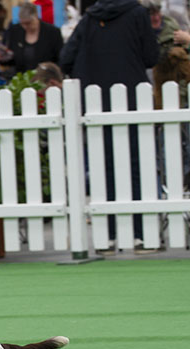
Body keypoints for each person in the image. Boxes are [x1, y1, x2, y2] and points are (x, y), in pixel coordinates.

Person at [59, 0, 159, 253]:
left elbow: (66, 58)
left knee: (104, 169)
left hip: (95, 103)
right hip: (132, 100)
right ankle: (141, 236)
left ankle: (108, 237)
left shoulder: (90, 18)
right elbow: (151, 56)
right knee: (137, 166)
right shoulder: (138, 14)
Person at [0, 2, 63, 78]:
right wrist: (2, 58)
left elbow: (60, 59)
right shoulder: (15, 31)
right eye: (22, 23)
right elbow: (13, 60)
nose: (25, 26)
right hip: (21, 78)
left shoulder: (53, 32)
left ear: (36, 16)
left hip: (45, 78)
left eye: (28, 23)